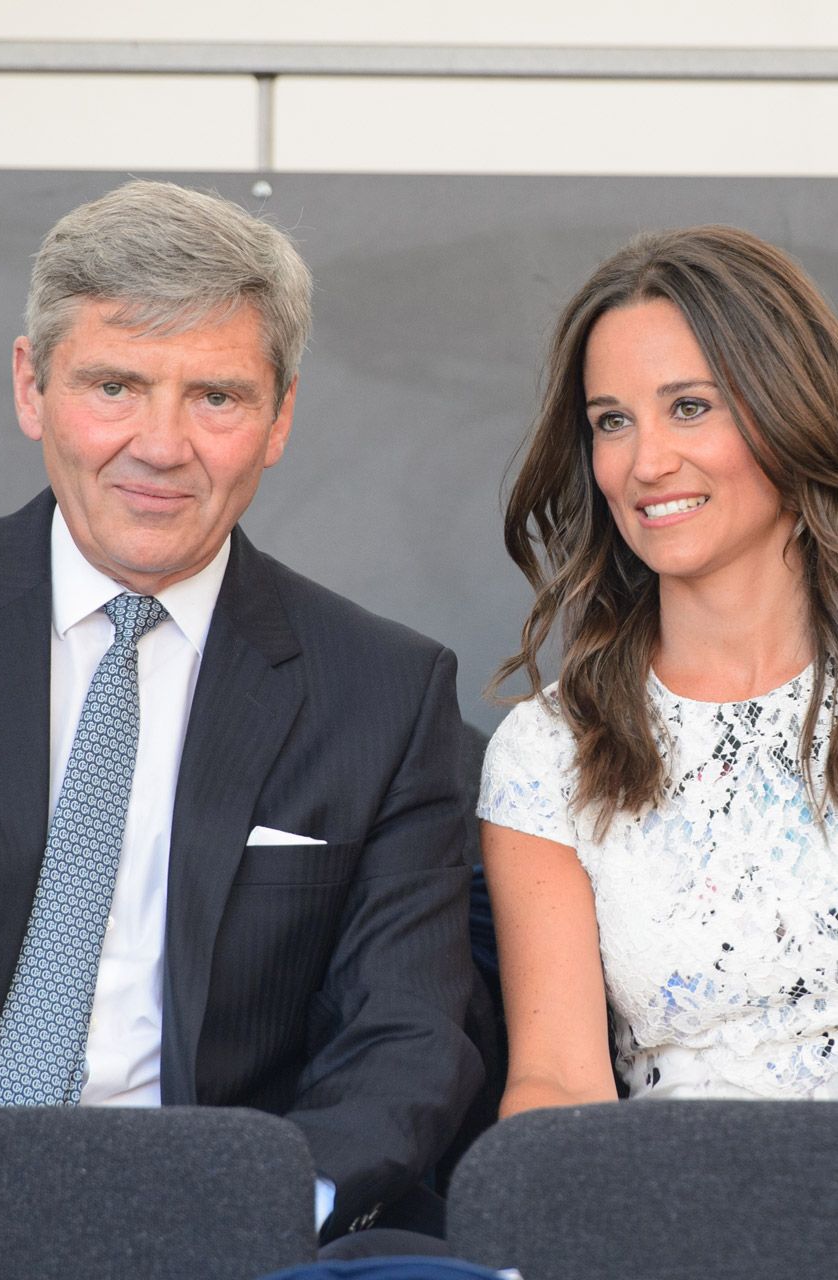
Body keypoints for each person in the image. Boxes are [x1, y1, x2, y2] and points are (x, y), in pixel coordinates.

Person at [0, 179, 482, 1247]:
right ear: (30, 386)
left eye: (215, 396)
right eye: (114, 384)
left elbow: (403, 1041)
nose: (162, 445)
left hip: (222, 1228)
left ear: (279, 417)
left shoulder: (384, 693)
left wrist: (252, 1216)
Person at [478, 225, 838, 1113]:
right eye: (612, 422)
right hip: (680, 1218)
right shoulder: (550, 751)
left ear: (788, 409)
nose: (645, 463)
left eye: (690, 407)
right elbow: (556, 1082)